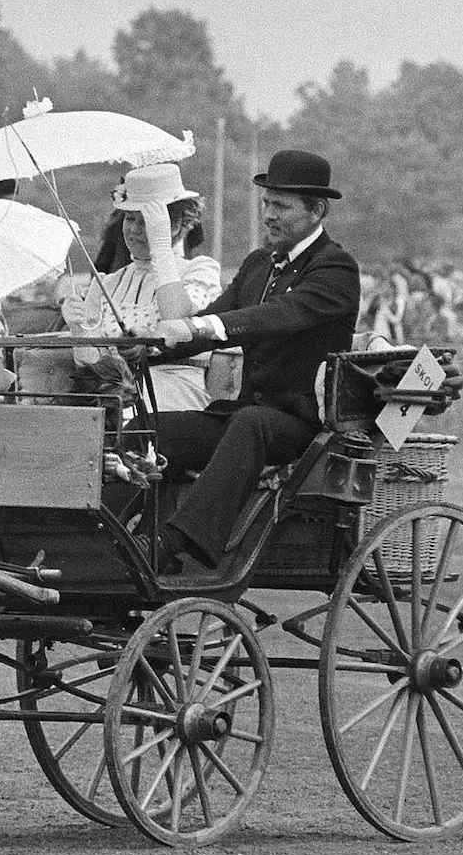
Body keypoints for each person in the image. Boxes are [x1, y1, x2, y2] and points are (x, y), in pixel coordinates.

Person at [143, 150, 361, 579]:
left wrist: (196, 327)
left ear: (317, 210)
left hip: (298, 427)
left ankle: (176, 544)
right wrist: (147, 349)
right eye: (265, 202)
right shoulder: (258, 264)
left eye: (280, 205)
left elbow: (275, 317)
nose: (268, 215)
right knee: (151, 429)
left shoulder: (336, 268)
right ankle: (100, 538)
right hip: (244, 418)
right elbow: (209, 323)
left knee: (253, 424)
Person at [62, 171, 221, 412]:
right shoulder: (108, 282)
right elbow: (91, 367)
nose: (134, 230)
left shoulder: (199, 270)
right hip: (111, 396)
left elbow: (176, 317)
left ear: (176, 224)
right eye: (129, 219)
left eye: (145, 221)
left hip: (171, 391)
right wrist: (77, 330)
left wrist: (160, 245)